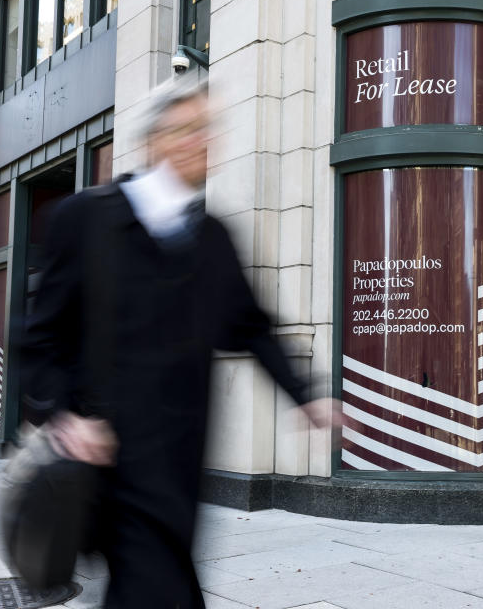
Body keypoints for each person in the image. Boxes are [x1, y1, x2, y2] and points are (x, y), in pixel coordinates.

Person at [19, 78, 335, 608]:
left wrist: (306, 393)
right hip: (108, 465)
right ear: (154, 140)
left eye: (208, 130)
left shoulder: (211, 238)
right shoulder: (86, 219)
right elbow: (39, 336)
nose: (200, 141)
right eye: (186, 129)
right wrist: (63, 416)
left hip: (181, 471)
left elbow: (252, 327)